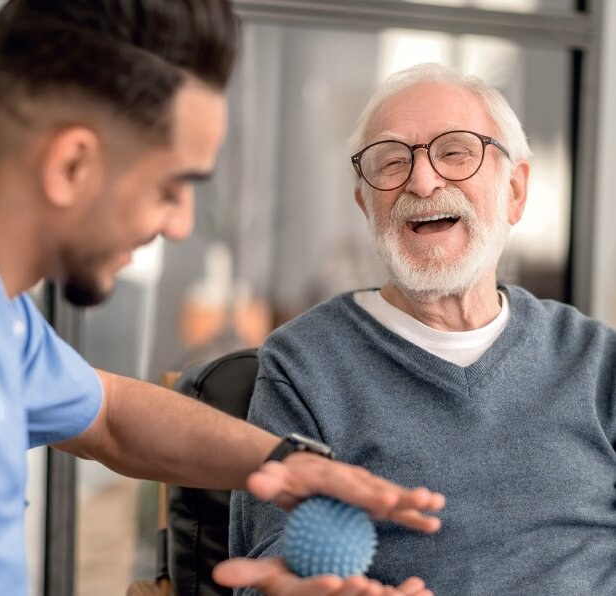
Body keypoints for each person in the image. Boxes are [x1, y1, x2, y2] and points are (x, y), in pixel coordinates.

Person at [0, 2, 445, 595]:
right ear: (71, 164)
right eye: (170, 187)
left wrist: (286, 465)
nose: (180, 223)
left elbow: (112, 417)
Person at [228, 61, 616, 595]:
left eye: (455, 152)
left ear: (516, 191)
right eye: (390, 162)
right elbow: (267, 576)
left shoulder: (598, 360)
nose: (423, 180)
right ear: (366, 203)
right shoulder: (304, 364)